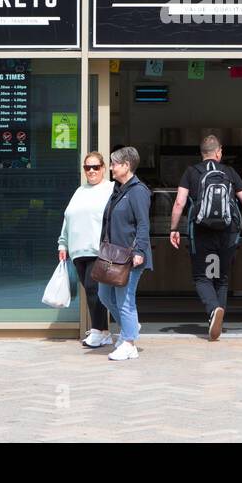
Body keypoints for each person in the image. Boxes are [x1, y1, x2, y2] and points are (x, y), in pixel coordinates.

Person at [168, 135, 242, 341]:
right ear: (219, 152)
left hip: (200, 231)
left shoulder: (191, 172)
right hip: (227, 232)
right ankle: (218, 315)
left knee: (202, 276)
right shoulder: (229, 172)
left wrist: (174, 228)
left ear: (202, 154)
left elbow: (179, 203)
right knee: (222, 278)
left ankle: (213, 310)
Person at [97, 146, 152, 361]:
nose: (110, 167)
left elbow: (143, 224)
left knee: (125, 300)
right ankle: (130, 327)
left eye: (114, 164)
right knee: (104, 295)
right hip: (111, 255)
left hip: (129, 256)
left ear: (126, 166)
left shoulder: (138, 191)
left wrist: (139, 251)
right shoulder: (118, 190)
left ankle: (129, 343)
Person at [57, 151, 115, 348]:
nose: (91, 171)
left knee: (93, 289)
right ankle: (104, 332)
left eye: (95, 167)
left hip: (98, 250)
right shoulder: (80, 191)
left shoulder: (111, 189)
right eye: (87, 167)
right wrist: (62, 243)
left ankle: (98, 331)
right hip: (78, 251)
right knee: (92, 291)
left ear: (103, 168)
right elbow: (68, 217)